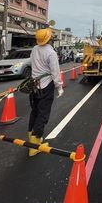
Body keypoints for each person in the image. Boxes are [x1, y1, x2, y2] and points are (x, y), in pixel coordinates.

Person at [28, 28, 63, 157]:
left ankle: (32, 138)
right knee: (43, 113)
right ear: (50, 39)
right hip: (46, 85)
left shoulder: (34, 49)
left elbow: (33, 65)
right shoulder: (51, 53)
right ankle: (35, 145)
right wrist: (59, 87)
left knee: (35, 111)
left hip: (34, 85)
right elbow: (55, 72)